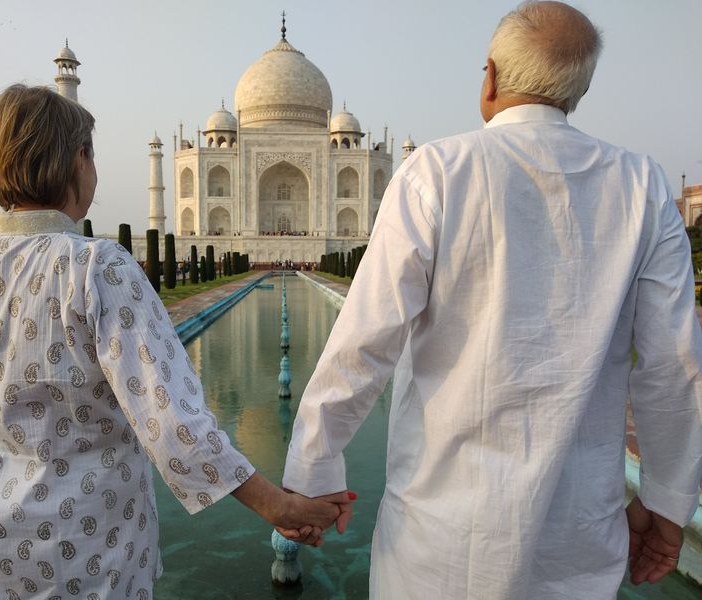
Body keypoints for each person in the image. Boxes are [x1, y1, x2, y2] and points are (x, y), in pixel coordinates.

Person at [280, 2, 702, 598]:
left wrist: (314, 469)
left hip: (440, 540)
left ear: (491, 77)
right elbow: (673, 367)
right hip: (578, 539)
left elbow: (365, 342)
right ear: (576, 91)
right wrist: (666, 504)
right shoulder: (643, 186)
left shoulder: (437, 172)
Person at [0, 84, 348, 599]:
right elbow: (171, 420)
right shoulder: (97, 268)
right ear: (78, 159)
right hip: (91, 553)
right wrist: (278, 506)